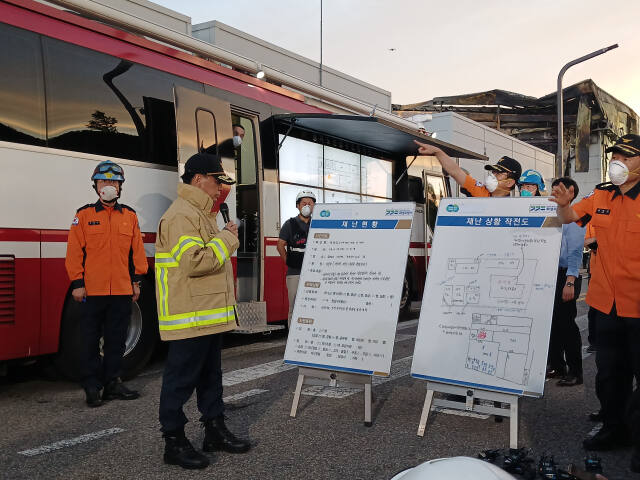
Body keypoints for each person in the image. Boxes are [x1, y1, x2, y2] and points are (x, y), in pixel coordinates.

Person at [550, 134, 640, 470]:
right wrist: (561, 203)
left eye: (626, 156)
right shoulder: (601, 193)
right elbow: (569, 217)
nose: (617, 160)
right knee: (609, 375)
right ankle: (614, 429)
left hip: (638, 306)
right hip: (606, 305)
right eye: (615, 154)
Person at [155, 152, 250, 470]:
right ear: (198, 179)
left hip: (205, 316)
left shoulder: (201, 214)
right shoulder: (182, 215)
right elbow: (195, 262)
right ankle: (174, 441)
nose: (221, 189)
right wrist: (227, 239)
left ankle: (214, 430)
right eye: (217, 181)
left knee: (211, 378)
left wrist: (222, 237)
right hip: (190, 317)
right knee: (180, 381)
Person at [65, 160, 147, 408]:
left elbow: (137, 253)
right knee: (89, 340)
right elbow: (74, 253)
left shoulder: (129, 217)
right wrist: (78, 283)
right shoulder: (83, 215)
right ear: (96, 186)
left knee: (116, 340)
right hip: (93, 291)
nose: (109, 186)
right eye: (104, 182)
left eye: (113, 182)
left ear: (120, 187)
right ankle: (91, 385)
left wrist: (137, 282)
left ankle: (112, 383)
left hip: (122, 291)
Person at [545, 177, 585, 387]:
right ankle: (557, 366)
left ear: (571, 191)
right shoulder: (552, 214)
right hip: (550, 274)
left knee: (566, 324)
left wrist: (570, 281)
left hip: (566, 275)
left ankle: (575, 371)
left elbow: (576, 252)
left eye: (558, 191)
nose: (554, 195)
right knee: (552, 323)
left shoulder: (575, 216)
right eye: (552, 191)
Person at [414, 140, 521, 198]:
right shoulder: (480, 191)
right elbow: (455, 171)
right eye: (493, 172)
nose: (493, 175)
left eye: (499, 173)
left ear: (509, 183)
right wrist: (437, 151)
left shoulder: (514, 208)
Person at [277, 190, 316, 328]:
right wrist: (288, 262)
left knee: (313, 306)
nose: (307, 206)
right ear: (298, 206)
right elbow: (280, 245)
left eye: (310, 203)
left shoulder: (318, 224)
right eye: (304, 203)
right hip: (295, 273)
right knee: (294, 306)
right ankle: (293, 340)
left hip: (314, 273)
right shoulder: (290, 224)